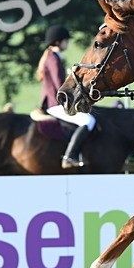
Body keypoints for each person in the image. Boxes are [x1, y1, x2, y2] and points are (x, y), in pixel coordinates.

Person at [38, 24, 96, 168]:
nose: (67, 43)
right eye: (66, 40)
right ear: (58, 42)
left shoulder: (52, 57)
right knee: (88, 121)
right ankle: (70, 156)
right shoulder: (53, 59)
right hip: (55, 104)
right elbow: (60, 86)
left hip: (54, 103)